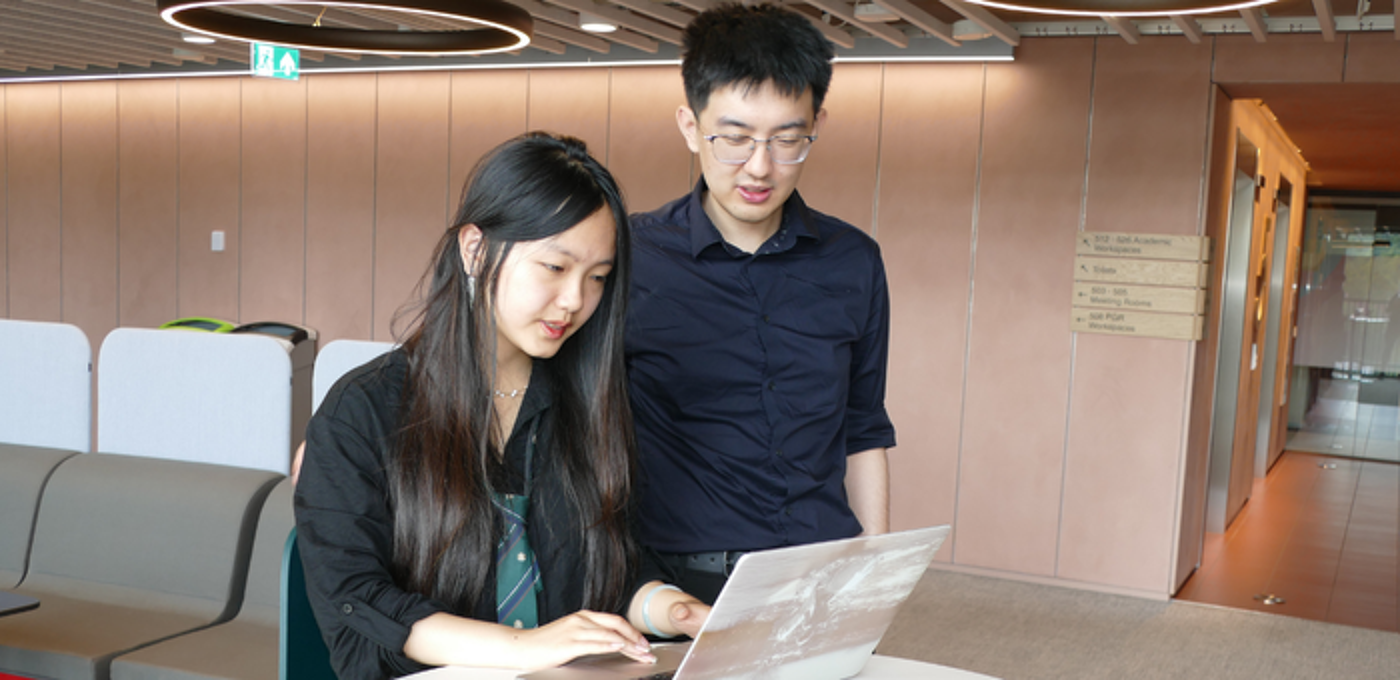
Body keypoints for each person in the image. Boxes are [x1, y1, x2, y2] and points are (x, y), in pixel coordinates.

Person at [294, 132, 707, 680]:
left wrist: (670, 607)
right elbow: (357, 598)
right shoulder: (362, 410)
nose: (575, 301)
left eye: (598, 278)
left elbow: (611, 569)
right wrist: (524, 647)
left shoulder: (588, 402)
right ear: (474, 248)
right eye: (555, 268)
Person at [626, 3, 896, 605]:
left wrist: (875, 566)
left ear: (816, 124)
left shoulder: (853, 260)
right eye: (735, 137)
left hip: (821, 569)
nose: (759, 166)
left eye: (787, 139)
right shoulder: (630, 256)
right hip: (677, 581)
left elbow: (863, 423)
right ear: (690, 126)